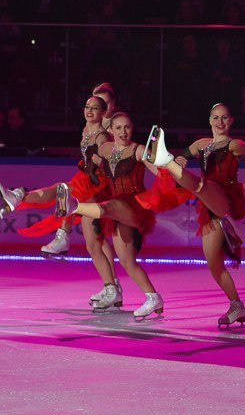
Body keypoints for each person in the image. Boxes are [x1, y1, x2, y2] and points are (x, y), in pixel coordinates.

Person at [141, 103, 245, 328]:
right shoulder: (201, 144)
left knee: (201, 186)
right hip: (209, 205)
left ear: (231, 121)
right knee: (213, 264)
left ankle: (164, 160)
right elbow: (184, 155)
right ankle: (237, 305)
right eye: (216, 118)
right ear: (209, 120)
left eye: (225, 118)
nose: (220, 122)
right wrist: (180, 160)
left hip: (226, 198)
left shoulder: (234, 145)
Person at [0, 96, 120, 306]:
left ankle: (24, 202)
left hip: (96, 186)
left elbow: (105, 156)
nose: (89, 110)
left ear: (103, 112)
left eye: (95, 108)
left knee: (63, 191)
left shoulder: (102, 136)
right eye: (87, 106)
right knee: (93, 244)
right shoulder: (86, 130)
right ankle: (111, 288)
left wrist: (98, 160)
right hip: (86, 181)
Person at [55, 112, 164, 319]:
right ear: (111, 130)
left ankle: (73, 207)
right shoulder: (106, 149)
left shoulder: (139, 150)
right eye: (119, 128)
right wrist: (93, 163)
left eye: (127, 127)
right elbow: (89, 157)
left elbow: (159, 171)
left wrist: (163, 161)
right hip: (116, 207)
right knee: (127, 261)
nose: (123, 132)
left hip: (133, 205)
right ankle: (153, 297)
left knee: (107, 207)